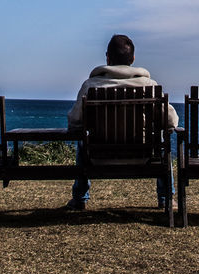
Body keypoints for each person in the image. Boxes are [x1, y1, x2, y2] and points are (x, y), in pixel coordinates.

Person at [66, 33, 178, 210]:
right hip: (142, 157)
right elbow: (171, 123)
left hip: (98, 157)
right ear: (132, 58)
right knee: (164, 138)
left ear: (108, 58)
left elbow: (74, 122)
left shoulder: (90, 85)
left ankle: (80, 197)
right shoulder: (149, 86)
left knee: (81, 141)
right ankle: (166, 197)